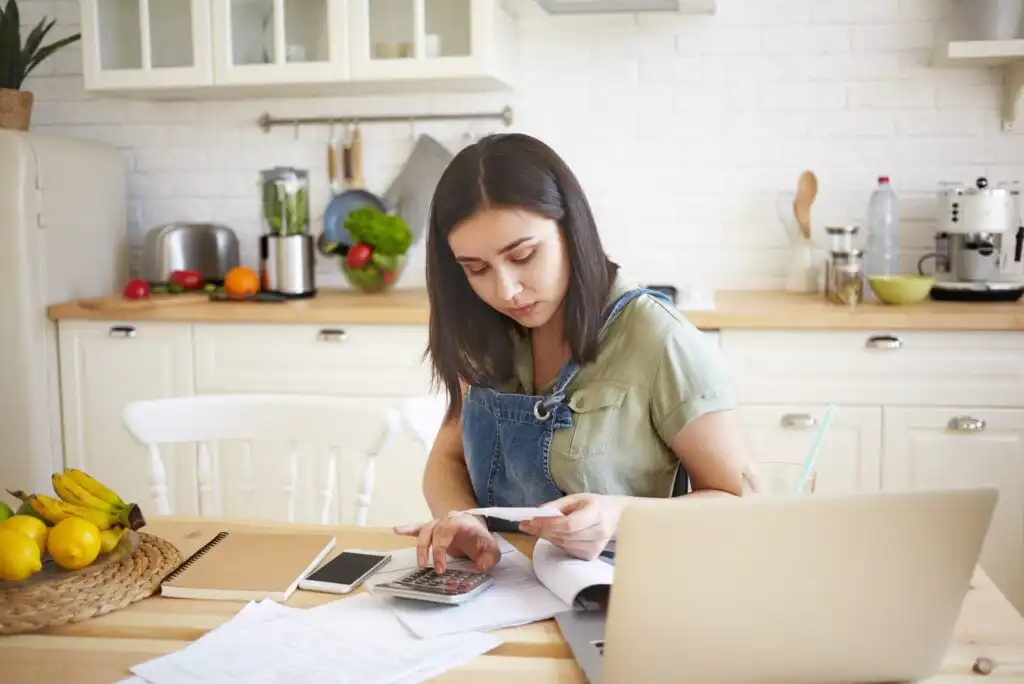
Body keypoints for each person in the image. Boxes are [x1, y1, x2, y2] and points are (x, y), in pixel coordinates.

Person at [395, 133, 754, 573]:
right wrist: (463, 519)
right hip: (504, 591)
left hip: (622, 598)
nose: (505, 290)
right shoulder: (484, 330)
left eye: (524, 256)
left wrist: (620, 515)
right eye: (477, 269)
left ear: (570, 229)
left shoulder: (659, 338)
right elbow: (446, 459)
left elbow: (736, 504)